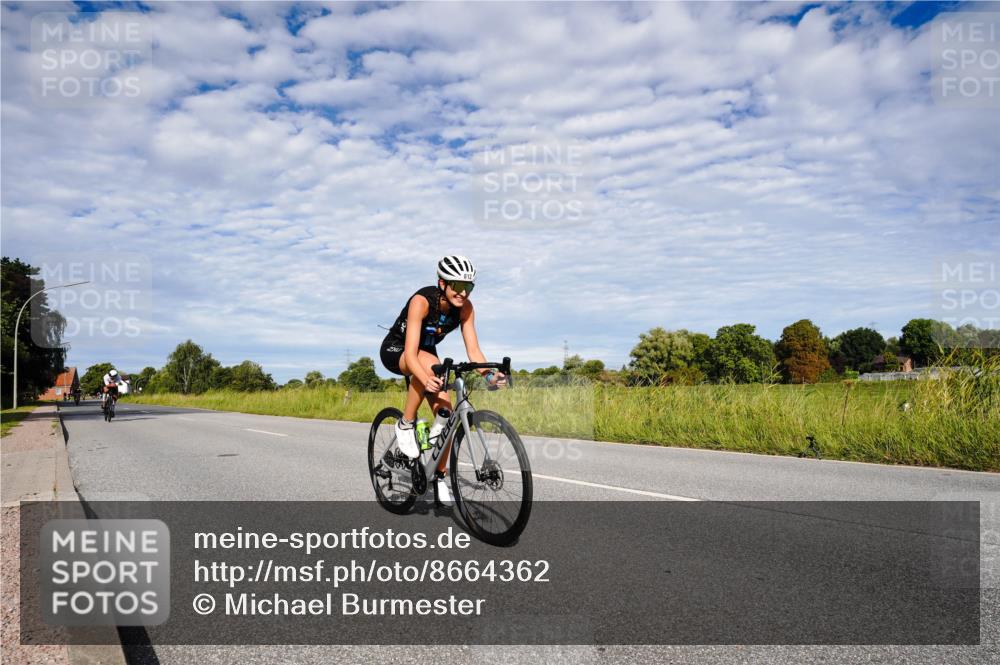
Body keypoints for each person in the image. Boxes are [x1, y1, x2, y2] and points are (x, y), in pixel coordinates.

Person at [379, 255, 506, 503]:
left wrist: (489, 375)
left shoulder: (466, 309)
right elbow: (412, 351)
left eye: (468, 287)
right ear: (442, 283)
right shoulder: (422, 302)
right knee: (428, 366)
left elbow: (474, 351)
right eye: (457, 286)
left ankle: (438, 476)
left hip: (428, 358)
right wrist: (425, 378)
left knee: (446, 413)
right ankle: (405, 423)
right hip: (399, 351)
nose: (463, 293)